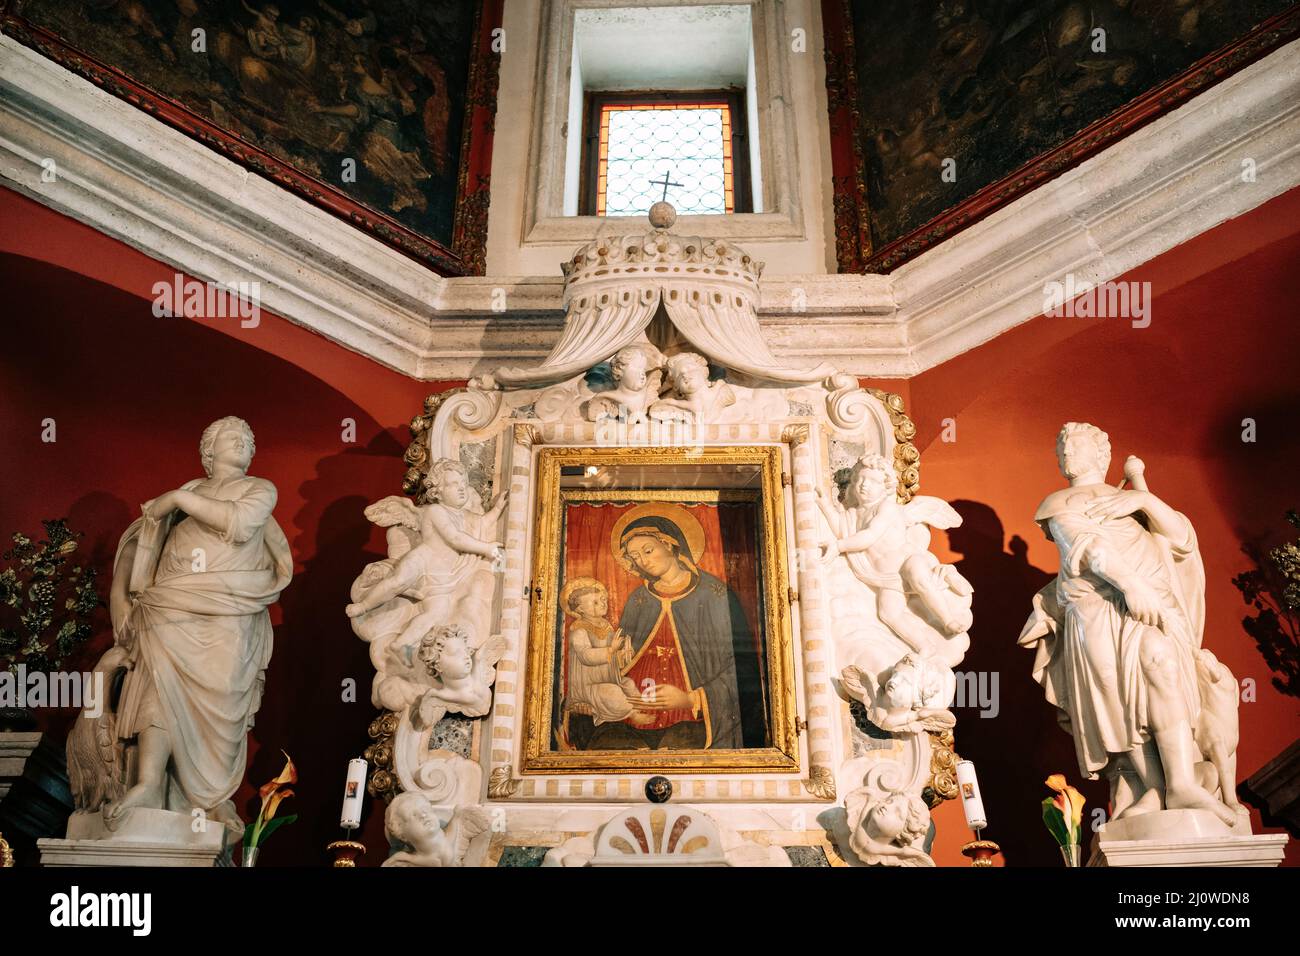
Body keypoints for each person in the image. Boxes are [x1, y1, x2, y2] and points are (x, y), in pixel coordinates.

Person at [1019, 422, 1236, 826]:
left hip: (1152, 606)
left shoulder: (1130, 498)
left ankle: (1183, 783)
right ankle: (1151, 784)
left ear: (1103, 454)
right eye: (1061, 446)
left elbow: (1182, 539)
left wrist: (1143, 501)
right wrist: (1130, 584)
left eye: (1077, 445)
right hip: (1095, 609)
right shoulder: (1059, 502)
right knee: (1114, 695)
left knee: (1162, 665)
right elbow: (1085, 546)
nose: (1066, 453)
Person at [101, 416, 292, 831]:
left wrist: (176, 500)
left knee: (223, 695)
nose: (242, 441)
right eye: (231, 436)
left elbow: (239, 524)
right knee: (160, 687)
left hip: (231, 608)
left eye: (248, 438)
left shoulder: (258, 490)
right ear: (208, 451)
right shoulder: (187, 494)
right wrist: (119, 594)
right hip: (170, 603)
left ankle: (209, 797)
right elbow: (140, 540)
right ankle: (150, 783)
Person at [586, 506, 764, 750]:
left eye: (648, 550)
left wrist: (691, 698)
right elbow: (620, 662)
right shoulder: (639, 600)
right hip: (635, 716)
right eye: (635, 557)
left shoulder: (714, 595)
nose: (643, 561)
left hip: (695, 719)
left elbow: (740, 669)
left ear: (669, 544)